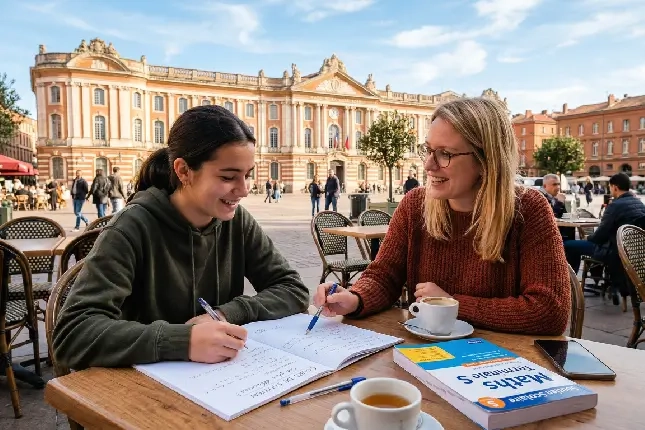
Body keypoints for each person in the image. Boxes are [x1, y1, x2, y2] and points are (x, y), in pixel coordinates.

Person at [53, 105, 310, 370]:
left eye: (248, 175)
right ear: (184, 171)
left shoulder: (237, 222)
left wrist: (226, 313)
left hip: (220, 382)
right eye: (228, 177)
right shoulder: (132, 227)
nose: (244, 190)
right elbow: (72, 335)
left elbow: (293, 290)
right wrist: (182, 341)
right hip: (141, 390)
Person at [313, 97, 570, 336]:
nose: (428, 165)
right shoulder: (415, 205)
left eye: (445, 153)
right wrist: (355, 298)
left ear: (486, 160)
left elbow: (550, 310)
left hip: (501, 366)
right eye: (428, 150)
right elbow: (384, 276)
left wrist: (450, 304)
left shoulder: (528, 209)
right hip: (426, 356)